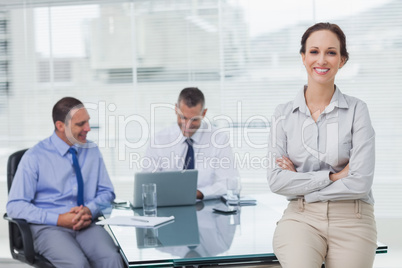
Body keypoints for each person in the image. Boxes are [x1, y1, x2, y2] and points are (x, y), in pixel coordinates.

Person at [267, 22, 377, 268]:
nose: (322, 60)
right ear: (303, 57)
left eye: (331, 52)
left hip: (353, 217)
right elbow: (276, 181)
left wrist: (302, 184)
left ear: (342, 60)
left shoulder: (358, 110)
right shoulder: (283, 114)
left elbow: (360, 183)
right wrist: (335, 176)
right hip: (301, 218)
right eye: (314, 51)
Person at [7, 97, 125, 268]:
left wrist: (89, 210)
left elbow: (107, 192)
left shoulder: (91, 151)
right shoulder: (34, 157)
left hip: (86, 224)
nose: (88, 128)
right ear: (60, 126)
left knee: (112, 259)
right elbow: (15, 205)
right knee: (77, 264)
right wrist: (59, 219)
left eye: (88, 122)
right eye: (80, 124)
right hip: (48, 228)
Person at [143, 87, 238, 200]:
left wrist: (197, 193)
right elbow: (147, 183)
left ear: (204, 113)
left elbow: (230, 184)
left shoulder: (219, 139)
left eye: (194, 119)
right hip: (168, 208)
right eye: (183, 118)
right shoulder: (159, 140)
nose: (187, 125)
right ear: (176, 109)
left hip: (207, 210)